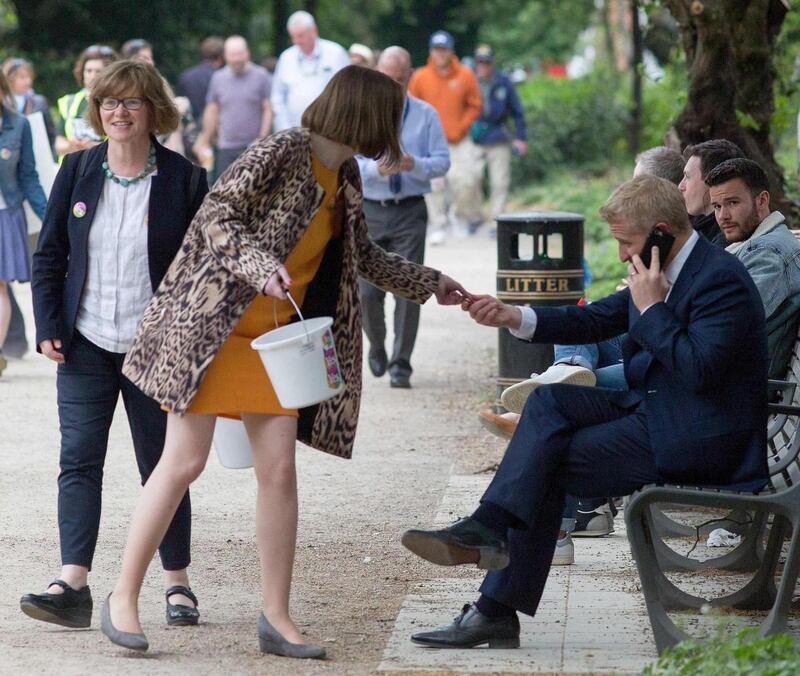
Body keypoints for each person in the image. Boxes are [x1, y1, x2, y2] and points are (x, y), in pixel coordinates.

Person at [99, 65, 470, 657]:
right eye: (390, 116)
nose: (395, 128)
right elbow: (217, 218)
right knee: (182, 463)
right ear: (365, 114)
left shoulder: (344, 170)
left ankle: (276, 616)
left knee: (279, 473)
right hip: (213, 332)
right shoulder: (281, 150)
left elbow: (361, 255)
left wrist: (429, 282)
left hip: (275, 343)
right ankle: (121, 596)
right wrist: (255, 264)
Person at [402, 174, 769, 649]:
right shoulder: (665, 269)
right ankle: (489, 546)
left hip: (701, 437)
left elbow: (701, 372)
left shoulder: (720, 280)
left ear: (661, 231)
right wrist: (515, 316)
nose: (620, 255)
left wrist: (654, 309)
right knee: (550, 401)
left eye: (625, 242)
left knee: (545, 461)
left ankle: (492, 596)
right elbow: (595, 317)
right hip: (660, 412)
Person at [23, 59, 208, 630]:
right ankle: (72, 581)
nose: (117, 112)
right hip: (85, 342)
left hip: (157, 350)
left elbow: (203, 269)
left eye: (130, 102)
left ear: (154, 110)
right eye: (108, 103)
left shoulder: (185, 179)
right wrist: (49, 323)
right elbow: (51, 254)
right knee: (78, 458)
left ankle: (176, 581)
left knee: (163, 465)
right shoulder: (77, 170)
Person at [357, 46, 450, 389]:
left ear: (410, 76)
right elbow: (347, 161)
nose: (393, 86)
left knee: (409, 288)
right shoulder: (363, 114)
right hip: (369, 208)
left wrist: (416, 165)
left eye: (399, 79)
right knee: (367, 291)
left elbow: (442, 162)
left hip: (409, 208)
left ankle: (401, 362)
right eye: (387, 79)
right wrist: (374, 170)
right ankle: (377, 343)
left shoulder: (426, 115)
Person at [706, 158, 800, 378]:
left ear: (762, 200)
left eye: (732, 203)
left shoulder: (770, 253)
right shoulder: (752, 245)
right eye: (717, 206)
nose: (723, 216)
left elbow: (723, 325)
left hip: (725, 385)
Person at [408, 31, 481, 246]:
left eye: (444, 49)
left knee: (466, 180)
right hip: (429, 142)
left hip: (459, 140)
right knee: (434, 185)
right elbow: (412, 106)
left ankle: (458, 216)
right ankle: (438, 224)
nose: (440, 53)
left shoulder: (465, 75)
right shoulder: (420, 76)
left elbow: (474, 104)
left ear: (451, 51)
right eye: (437, 49)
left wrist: (462, 125)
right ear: (431, 51)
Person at [0, 69, 47, 376]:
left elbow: (29, 176)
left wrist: (51, 217)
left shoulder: (18, 125)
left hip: (5, 213)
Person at [465, 45, 527, 233]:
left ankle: (496, 220)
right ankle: (474, 216)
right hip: (474, 136)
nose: (483, 65)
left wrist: (521, 138)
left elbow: (517, 112)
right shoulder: (468, 80)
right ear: (476, 62)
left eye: (487, 62)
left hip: (498, 136)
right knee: (471, 178)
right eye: (480, 62)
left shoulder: (503, 81)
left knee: (499, 181)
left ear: (492, 62)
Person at [193, 35, 272, 180]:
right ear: (225, 56)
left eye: (240, 54)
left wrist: (262, 137)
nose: (236, 59)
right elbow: (212, 110)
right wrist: (205, 138)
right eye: (232, 55)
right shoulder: (218, 78)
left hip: (254, 146)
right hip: (226, 146)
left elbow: (267, 108)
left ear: (247, 53)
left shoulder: (262, 76)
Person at [270, 11, 349, 132]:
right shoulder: (286, 57)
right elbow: (277, 96)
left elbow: (348, 91)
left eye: (300, 36)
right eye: (293, 37)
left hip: (331, 131)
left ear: (314, 31)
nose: (297, 41)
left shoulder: (336, 53)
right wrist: (284, 128)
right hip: (294, 132)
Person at [55, 45, 117, 161]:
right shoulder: (69, 102)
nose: (92, 75)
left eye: (98, 71)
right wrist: (71, 146)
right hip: (72, 170)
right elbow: (58, 143)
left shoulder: (117, 103)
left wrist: (94, 147)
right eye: (88, 71)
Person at [680, 139, 746, 244]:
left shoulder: (726, 239)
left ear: (712, 180)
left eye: (687, 177)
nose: (680, 186)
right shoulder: (697, 229)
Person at [3, 57, 56, 150]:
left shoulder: (39, 102)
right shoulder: (3, 103)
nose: (28, 81)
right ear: (9, 79)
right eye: (22, 77)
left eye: (29, 77)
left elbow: (51, 136)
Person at [178, 36, 224, 122]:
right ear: (221, 57)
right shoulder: (221, 78)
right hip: (214, 128)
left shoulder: (186, 76)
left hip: (190, 129)